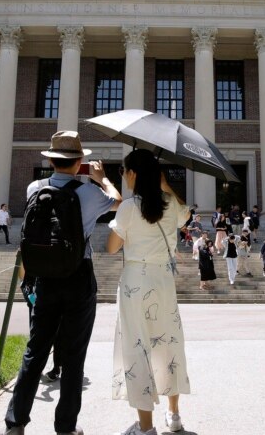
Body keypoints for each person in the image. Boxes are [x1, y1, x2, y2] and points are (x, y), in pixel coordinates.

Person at [4, 131, 121, 435]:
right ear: (79, 161)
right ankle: (66, 427)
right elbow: (118, 203)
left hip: (44, 277)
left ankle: (15, 423)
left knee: (35, 350)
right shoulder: (89, 193)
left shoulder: (34, 187)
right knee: (73, 354)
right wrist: (102, 178)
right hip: (77, 275)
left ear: (50, 159)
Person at [106, 149, 191, 435]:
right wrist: (166, 186)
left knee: (137, 346)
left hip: (135, 283)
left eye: (124, 171)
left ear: (132, 174)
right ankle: (174, 414)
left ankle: (145, 427)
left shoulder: (130, 207)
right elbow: (185, 215)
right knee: (168, 342)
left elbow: (111, 247)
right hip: (163, 281)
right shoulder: (169, 203)